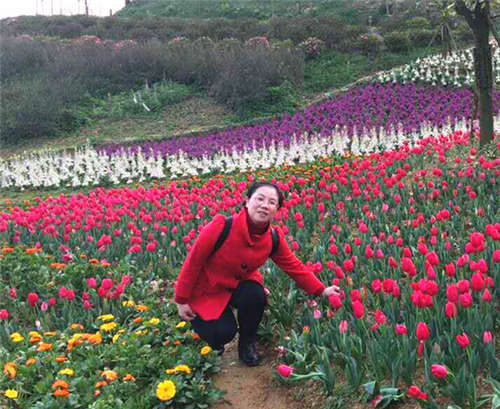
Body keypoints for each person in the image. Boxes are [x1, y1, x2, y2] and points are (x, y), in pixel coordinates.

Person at [174, 181, 340, 366]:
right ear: (247, 201)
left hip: (237, 287)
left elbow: (294, 266)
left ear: (276, 210)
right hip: (207, 289)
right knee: (223, 332)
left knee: (255, 295)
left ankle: (247, 343)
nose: (264, 205)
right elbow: (193, 262)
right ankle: (212, 339)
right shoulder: (222, 226)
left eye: (271, 202)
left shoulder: (273, 237)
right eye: (260, 199)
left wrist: (322, 290)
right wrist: (181, 300)